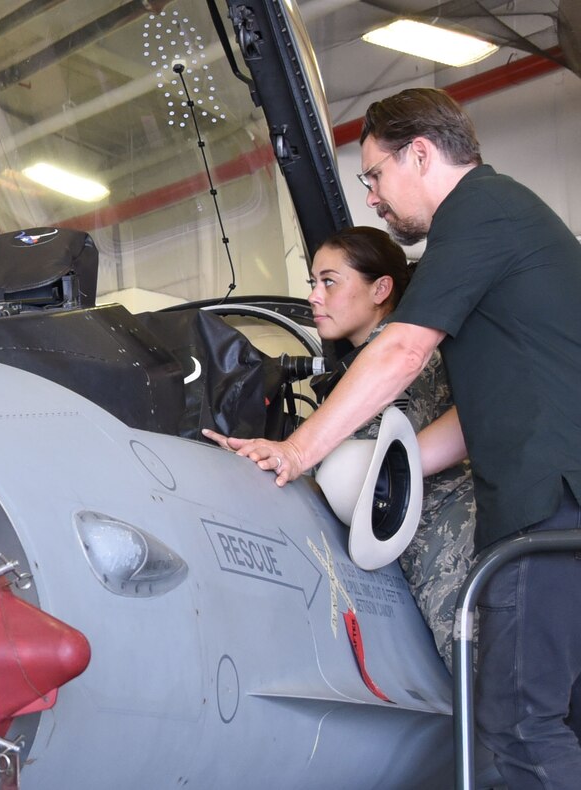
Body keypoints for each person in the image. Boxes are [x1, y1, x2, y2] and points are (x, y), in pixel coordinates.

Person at [206, 88, 581, 788]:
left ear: (420, 153)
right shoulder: (508, 222)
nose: (373, 197)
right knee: (551, 720)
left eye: (375, 175)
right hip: (559, 503)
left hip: (547, 505)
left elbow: (403, 351)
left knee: (517, 729)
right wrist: (386, 470)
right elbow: (484, 414)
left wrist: (297, 450)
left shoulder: (477, 214)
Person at [306, 226, 476, 669]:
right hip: (425, 541)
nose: (314, 296)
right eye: (312, 283)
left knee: (484, 687)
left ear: (381, 288)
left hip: (449, 541)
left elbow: (362, 457)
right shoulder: (370, 365)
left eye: (329, 281)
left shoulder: (398, 362)